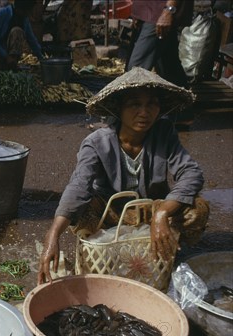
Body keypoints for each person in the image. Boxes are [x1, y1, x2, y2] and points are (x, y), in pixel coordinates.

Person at [37, 67, 209, 284]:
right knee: (80, 210)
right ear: (119, 108)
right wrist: (52, 235)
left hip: (149, 209)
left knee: (197, 209)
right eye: (134, 104)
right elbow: (78, 186)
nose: (144, 112)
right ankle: (105, 252)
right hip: (110, 214)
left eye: (151, 104)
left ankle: (163, 250)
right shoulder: (97, 142)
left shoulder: (163, 132)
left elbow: (191, 173)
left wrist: (162, 214)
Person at [126, 0, 195, 129]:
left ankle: (119, 121)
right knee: (168, 63)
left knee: (136, 69)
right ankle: (182, 114)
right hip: (150, 11)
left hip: (159, 12)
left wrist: (169, 9)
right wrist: (139, 12)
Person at [0, 0, 44, 70]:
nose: (29, 13)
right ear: (22, 9)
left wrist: (41, 59)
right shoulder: (1, 13)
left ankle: (12, 66)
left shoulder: (24, 19)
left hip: (10, 57)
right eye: (29, 11)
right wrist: (6, 56)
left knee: (17, 31)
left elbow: (32, 40)